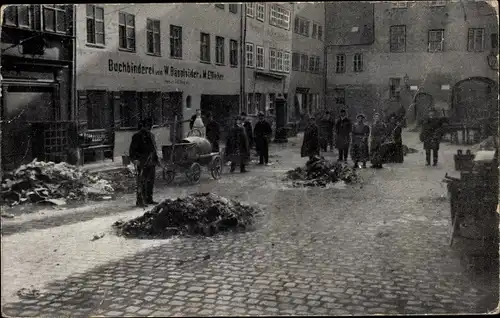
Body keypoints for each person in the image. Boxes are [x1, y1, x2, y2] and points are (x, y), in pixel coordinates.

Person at [129, 118, 159, 207]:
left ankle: (149, 199)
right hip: (142, 162)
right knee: (141, 182)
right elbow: (132, 150)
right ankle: (140, 201)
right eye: (147, 126)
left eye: (150, 127)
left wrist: (156, 160)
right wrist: (135, 159)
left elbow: (154, 148)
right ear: (142, 126)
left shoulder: (151, 135)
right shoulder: (137, 136)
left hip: (151, 161)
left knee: (150, 182)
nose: (148, 128)